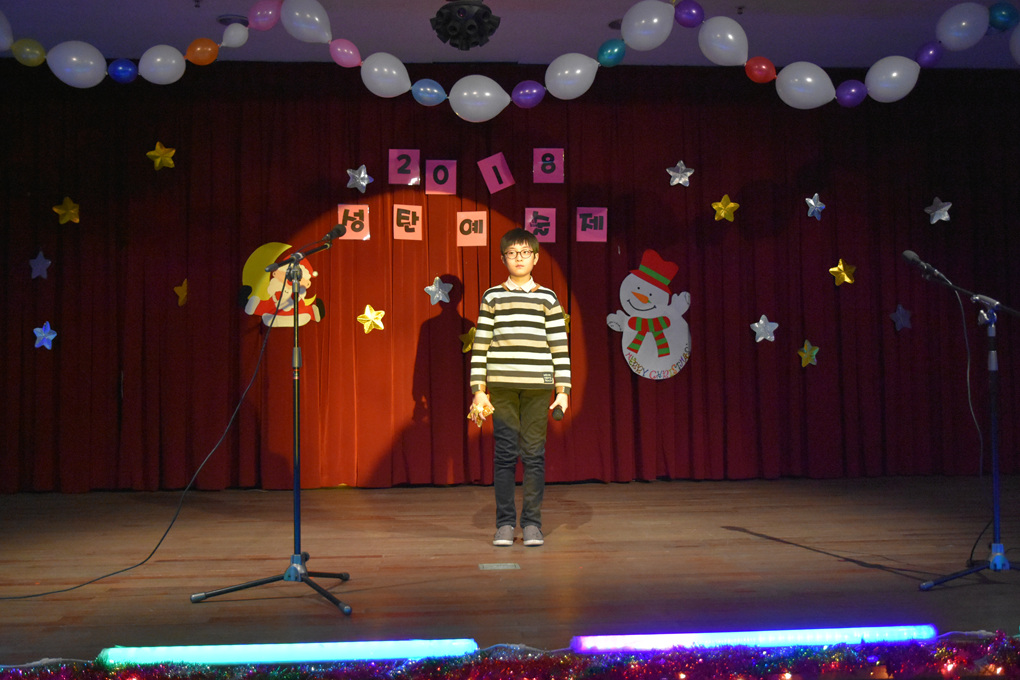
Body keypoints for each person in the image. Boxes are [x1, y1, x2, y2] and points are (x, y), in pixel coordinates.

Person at [470, 228, 571, 547]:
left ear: (536, 258)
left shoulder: (548, 298)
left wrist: (563, 390)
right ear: (503, 258)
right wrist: (478, 389)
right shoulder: (492, 296)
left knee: (534, 454)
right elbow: (481, 345)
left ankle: (531, 524)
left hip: (537, 387)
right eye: (512, 253)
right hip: (501, 387)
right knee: (504, 454)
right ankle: (504, 524)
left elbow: (559, 346)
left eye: (525, 253)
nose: (519, 258)